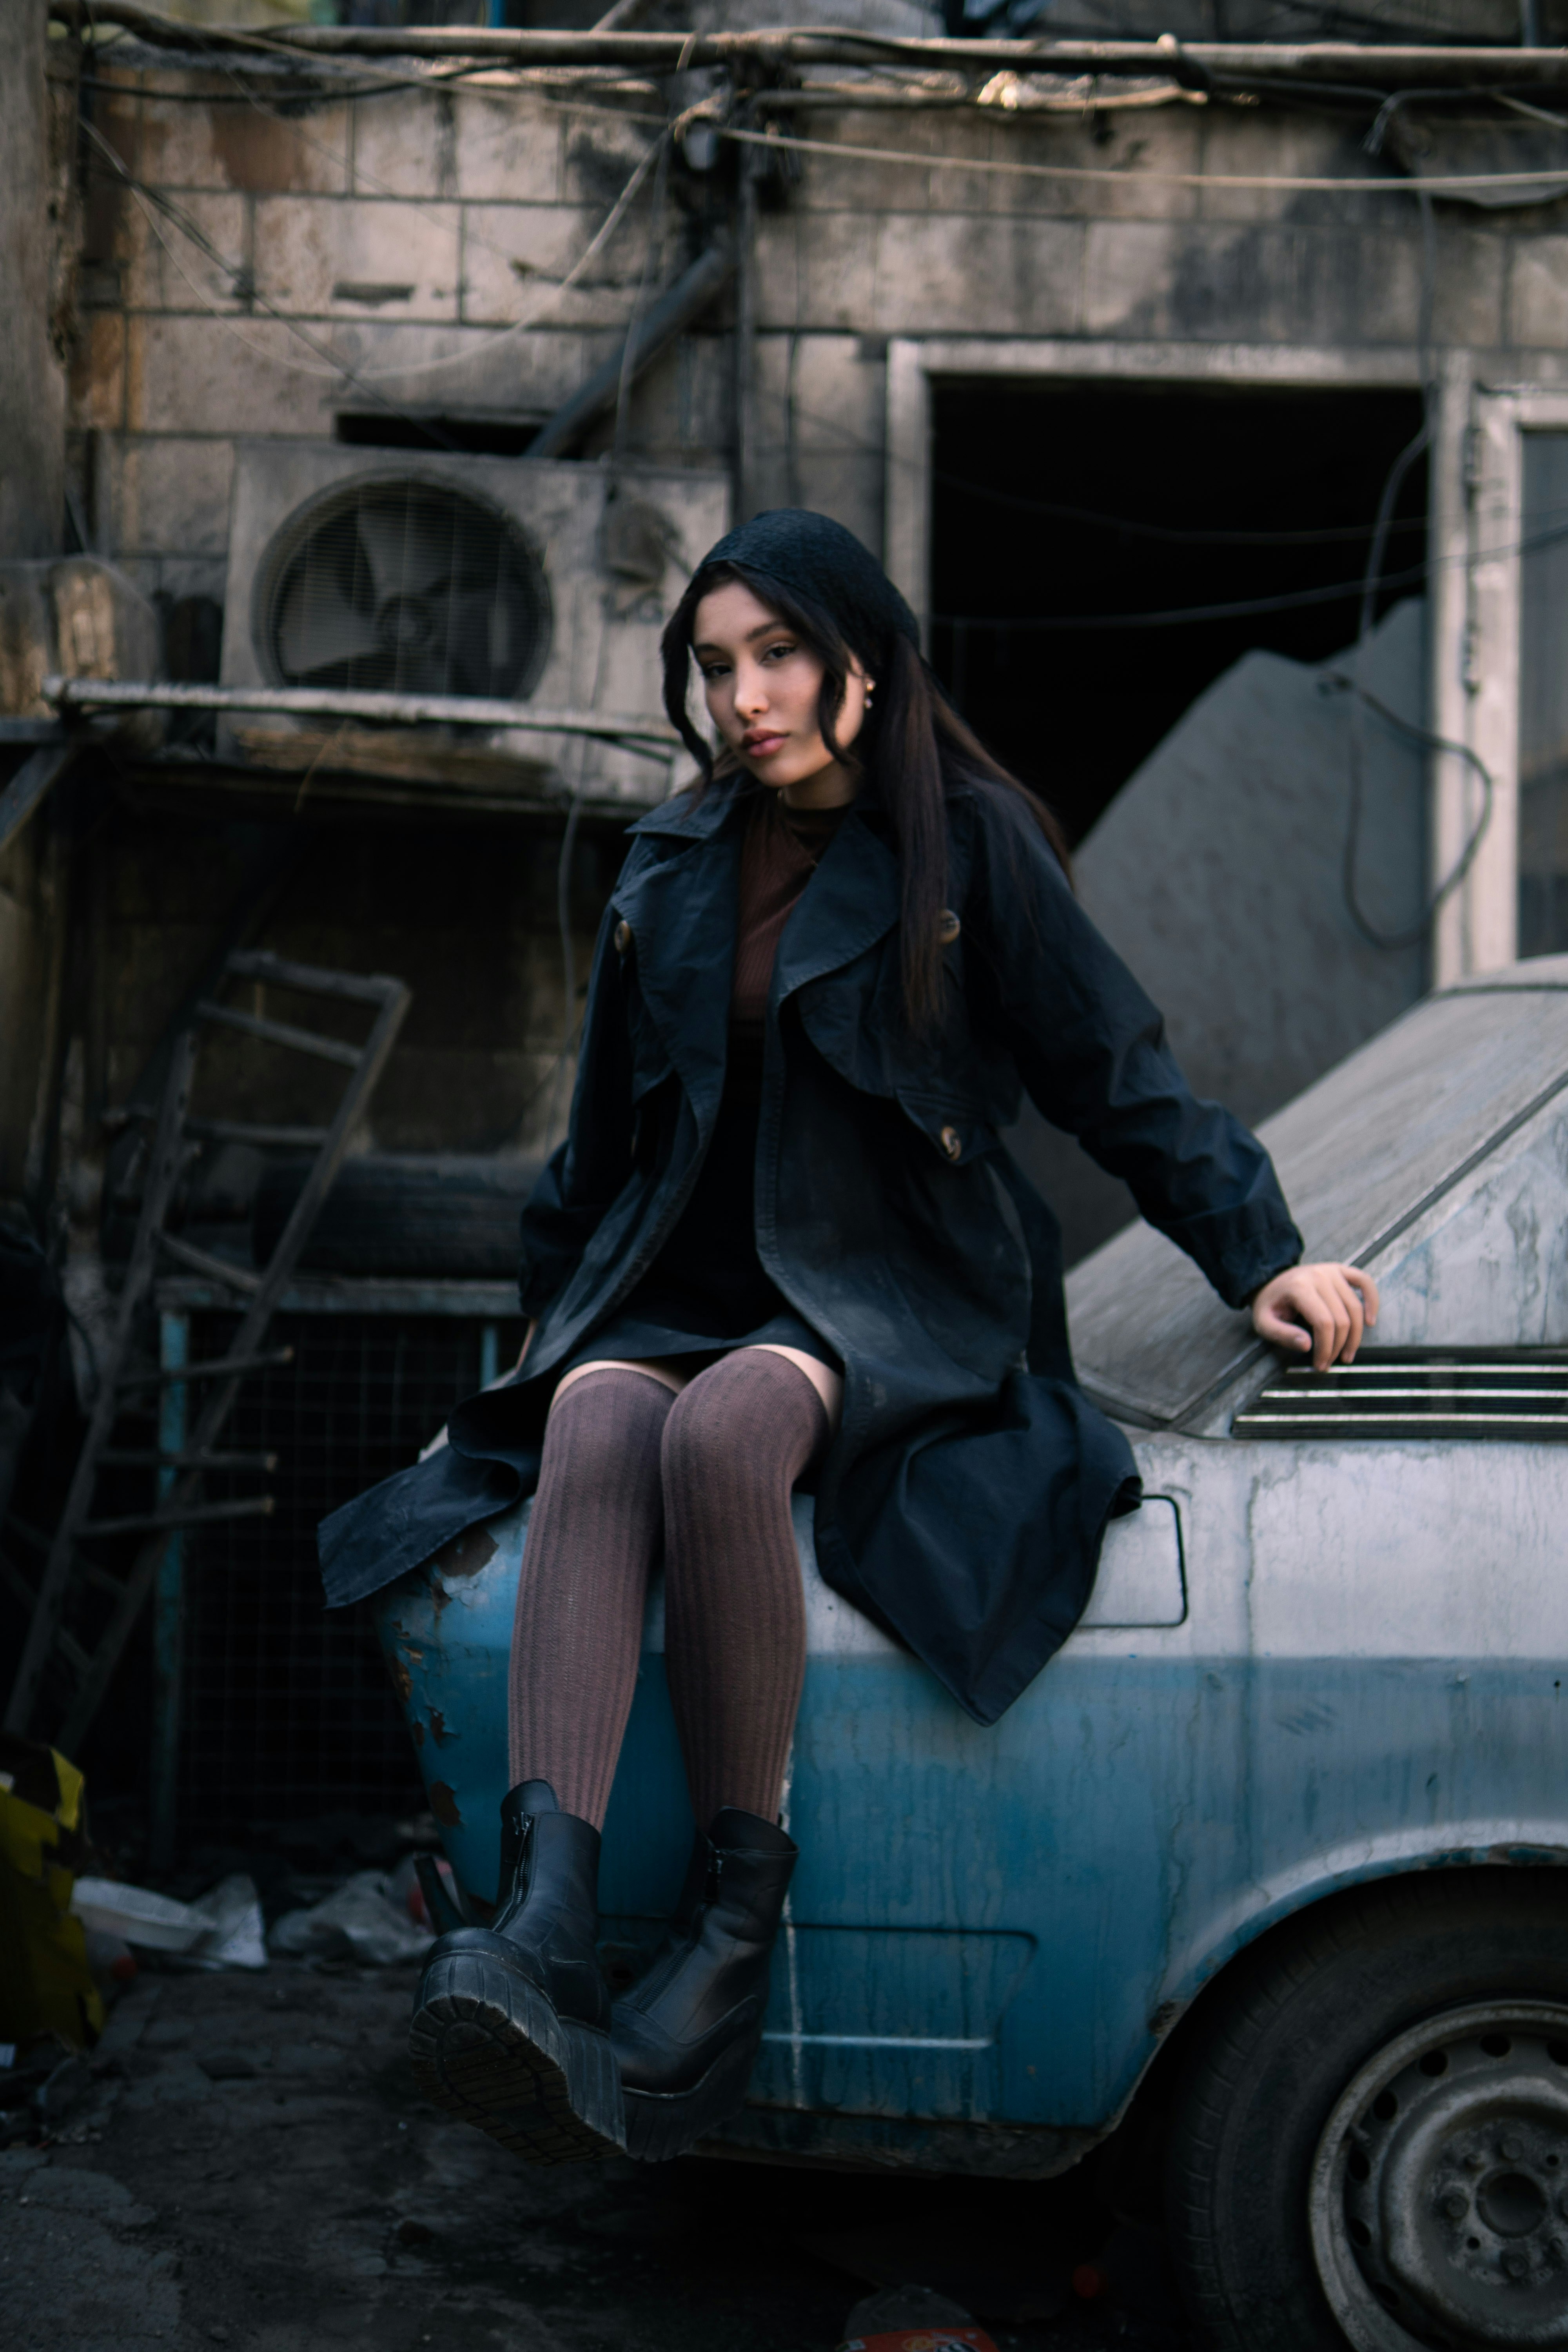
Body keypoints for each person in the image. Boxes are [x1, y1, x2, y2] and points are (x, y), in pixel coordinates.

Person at [318, 508, 1376, 2172]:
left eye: (778, 656)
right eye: (714, 667)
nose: (743, 699)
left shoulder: (969, 848)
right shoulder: (672, 858)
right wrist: (550, 1317)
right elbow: (600, 1143)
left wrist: (1260, 1254)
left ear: (863, 665)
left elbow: (1116, 1070)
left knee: (726, 1430)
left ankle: (730, 1936)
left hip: (887, 1288)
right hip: (678, 1271)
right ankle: (545, 1924)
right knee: (593, 1420)